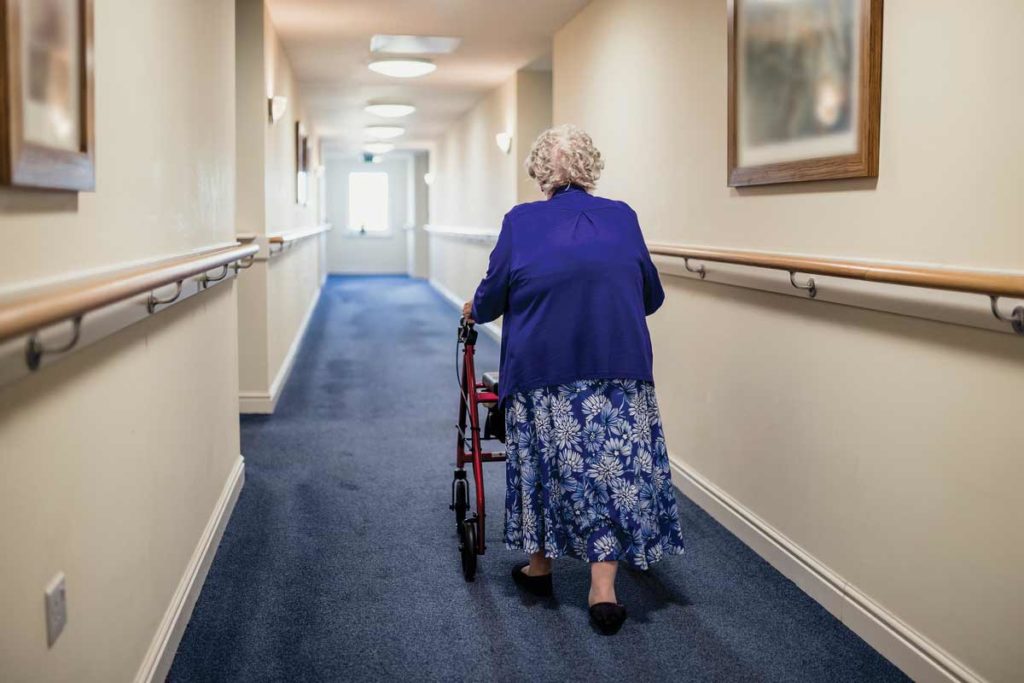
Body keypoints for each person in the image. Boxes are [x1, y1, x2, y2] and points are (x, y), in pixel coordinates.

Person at [462, 125, 684, 635]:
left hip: (544, 370)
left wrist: (478, 307)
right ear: (590, 168)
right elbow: (651, 296)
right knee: (610, 471)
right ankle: (603, 590)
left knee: (545, 460)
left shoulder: (521, 222)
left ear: (542, 173)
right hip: (619, 368)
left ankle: (540, 567)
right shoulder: (623, 217)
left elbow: (493, 298)